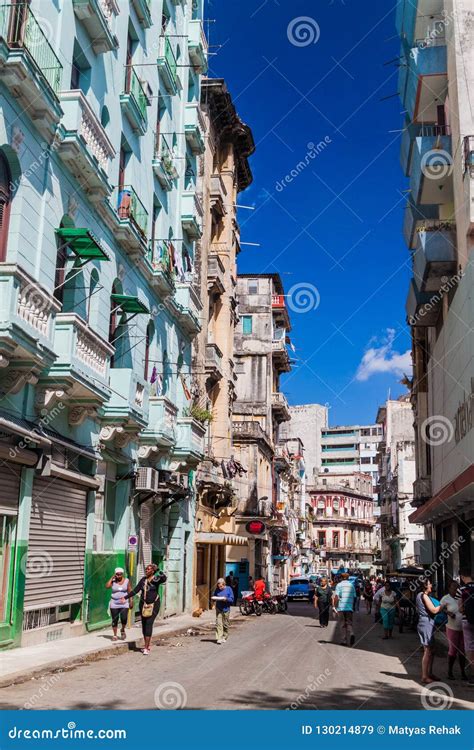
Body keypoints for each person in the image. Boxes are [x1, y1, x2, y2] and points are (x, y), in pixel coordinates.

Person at [121, 563, 167, 655]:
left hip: (154, 605)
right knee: (144, 624)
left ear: (153, 571)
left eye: (149, 569)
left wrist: (159, 571)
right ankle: (147, 644)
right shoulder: (143, 580)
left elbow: (164, 579)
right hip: (143, 605)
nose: (146, 571)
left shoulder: (155, 579)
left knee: (149, 623)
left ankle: (146, 647)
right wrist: (125, 597)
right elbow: (136, 590)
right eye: (146, 569)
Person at [416, 579, 446, 684]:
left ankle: (429, 673)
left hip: (427, 622)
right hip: (426, 623)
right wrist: (443, 604)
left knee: (431, 650)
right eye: (429, 584)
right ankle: (424, 676)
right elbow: (433, 610)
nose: (431, 586)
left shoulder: (421, 595)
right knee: (427, 650)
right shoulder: (423, 596)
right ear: (425, 586)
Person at [440, 581, 467, 681]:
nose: (456, 590)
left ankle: (463, 672)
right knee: (453, 650)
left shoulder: (462, 597)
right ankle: (450, 671)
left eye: (457, 588)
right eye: (454, 588)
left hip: (463, 628)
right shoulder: (446, 598)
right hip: (452, 628)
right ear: (449, 589)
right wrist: (448, 612)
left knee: (463, 651)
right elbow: (440, 608)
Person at [457, 567, 474, 685]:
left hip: (467, 621)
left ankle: (473, 675)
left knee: (470, 648)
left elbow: (460, 609)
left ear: (462, 577)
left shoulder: (461, 590)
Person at [106, 567, 132, 641]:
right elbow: (107, 586)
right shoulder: (113, 581)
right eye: (117, 574)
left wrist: (131, 601)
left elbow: (130, 591)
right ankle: (115, 635)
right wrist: (111, 578)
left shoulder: (127, 581)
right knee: (115, 619)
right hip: (114, 602)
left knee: (124, 618)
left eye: (120, 574)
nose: (118, 576)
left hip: (124, 603)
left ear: (122, 574)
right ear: (115, 574)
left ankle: (122, 629)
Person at [334, 572, 356, 646]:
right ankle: (352, 633)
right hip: (349, 607)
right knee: (349, 623)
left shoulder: (339, 585)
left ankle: (344, 640)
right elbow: (354, 597)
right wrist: (353, 607)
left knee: (342, 624)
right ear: (348, 578)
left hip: (341, 607)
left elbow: (336, 597)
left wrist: (334, 607)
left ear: (341, 578)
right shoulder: (351, 585)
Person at [212, 577, 234, 644]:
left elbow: (232, 599)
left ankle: (225, 636)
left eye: (221, 586)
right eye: (219, 586)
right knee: (218, 623)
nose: (220, 588)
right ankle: (219, 638)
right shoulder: (217, 589)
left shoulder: (229, 589)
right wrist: (213, 598)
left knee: (225, 624)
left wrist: (226, 599)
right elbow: (215, 596)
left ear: (224, 584)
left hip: (226, 609)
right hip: (219, 608)